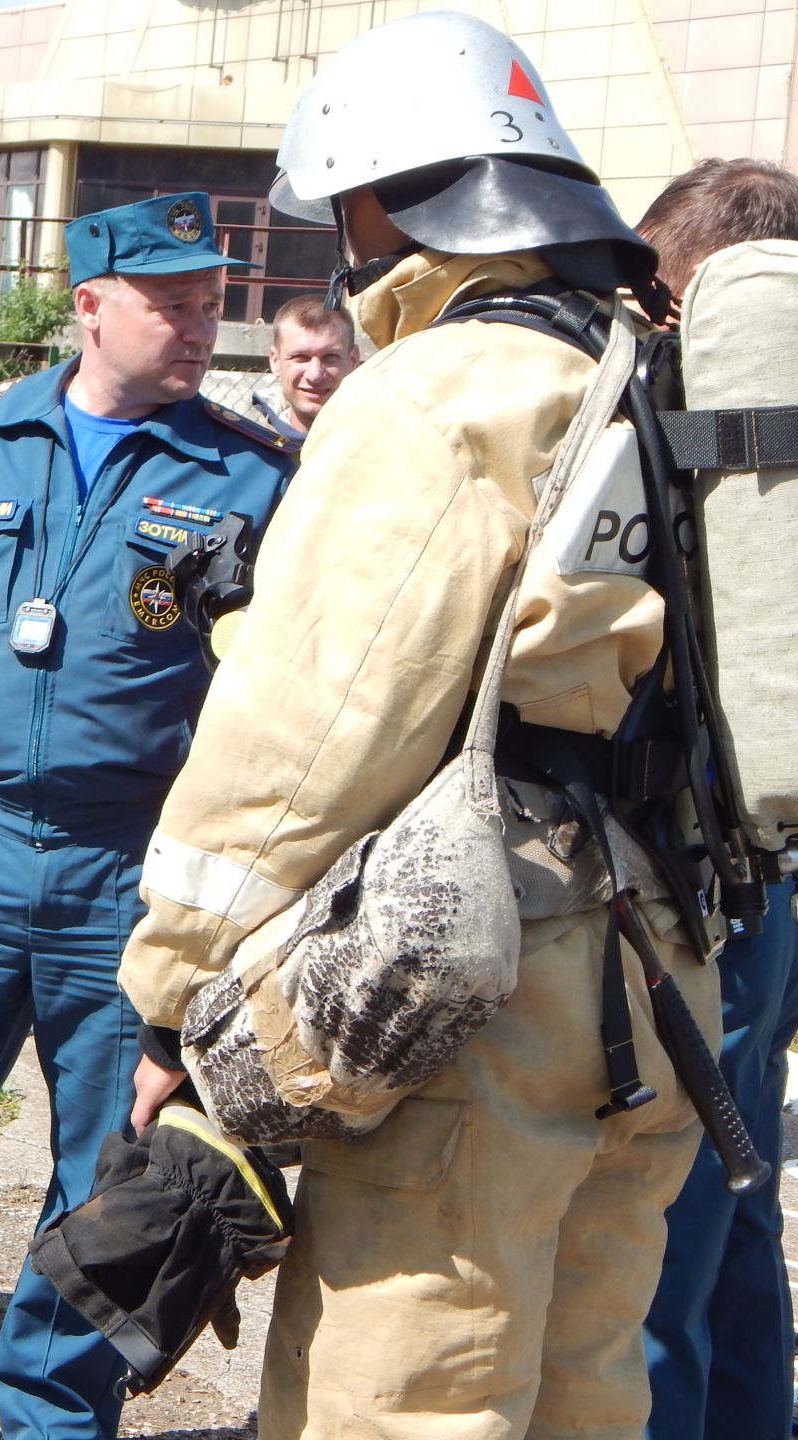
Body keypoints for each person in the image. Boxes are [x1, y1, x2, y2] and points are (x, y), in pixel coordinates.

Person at [117, 14, 721, 1438]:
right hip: (667, 969)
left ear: (391, 197)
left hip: (482, 998)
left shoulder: (439, 392)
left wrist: (173, 995)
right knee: (583, 1390)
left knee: (402, 1401)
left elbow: (311, 740)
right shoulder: (653, 366)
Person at [0, 192, 296, 1439]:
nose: (199, 328)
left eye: (209, 305)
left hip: (128, 866)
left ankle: (51, 1410)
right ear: (89, 306)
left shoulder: (249, 472)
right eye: (169, 304)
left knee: (103, 1167)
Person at [635, 156, 798, 1440]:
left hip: (708, 888)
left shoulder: (702, 406)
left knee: (659, 1243)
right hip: (775, 875)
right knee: (741, 1215)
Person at [249, 293, 359, 438]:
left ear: (353, 360)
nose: (315, 375)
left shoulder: (383, 448)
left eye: (330, 357)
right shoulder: (247, 447)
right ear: (275, 361)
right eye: (300, 357)